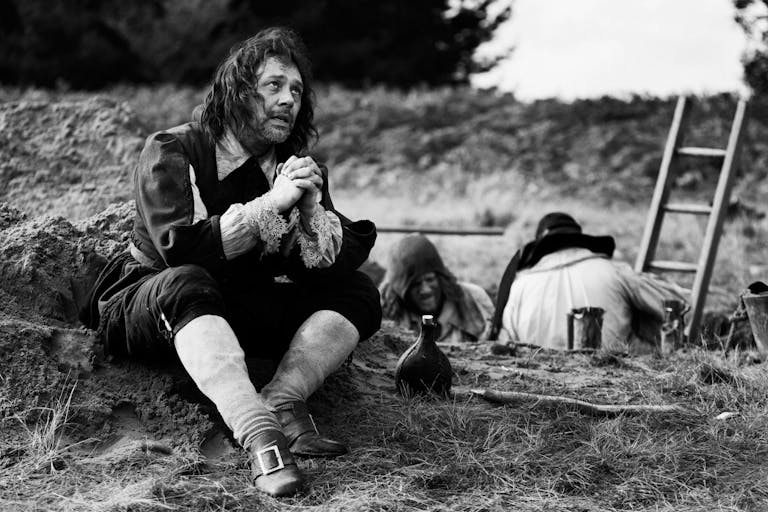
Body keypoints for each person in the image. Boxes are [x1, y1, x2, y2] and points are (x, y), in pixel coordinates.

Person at [80, 28, 381, 497]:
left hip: (238, 304)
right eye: (274, 86)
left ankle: (283, 400)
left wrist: (308, 209)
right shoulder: (173, 149)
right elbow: (177, 248)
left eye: (297, 91)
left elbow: (330, 262)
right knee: (187, 281)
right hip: (155, 303)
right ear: (239, 92)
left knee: (358, 292)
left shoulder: (292, 165)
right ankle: (258, 430)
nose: (288, 100)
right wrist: (271, 203)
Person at [488, 212, 687, 352]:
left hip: (539, 389)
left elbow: (505, 344)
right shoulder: (614, 272)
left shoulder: (519, 286)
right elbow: (680, 307)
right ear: (580, 239)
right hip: (614, 384)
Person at [379, 233, 500, 344]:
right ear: (400, 291)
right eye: (416, 284)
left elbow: (498, 344)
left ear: (440, 277)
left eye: (430, 279)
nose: (425, 290)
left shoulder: (473, 299)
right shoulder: (387, 313)